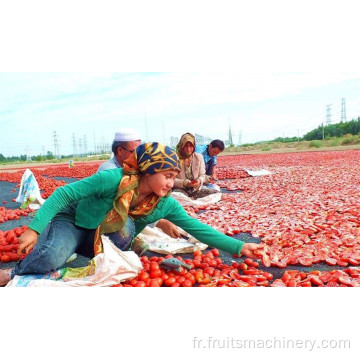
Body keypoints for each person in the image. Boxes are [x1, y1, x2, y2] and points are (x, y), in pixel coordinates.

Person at [0, 143, 263, 286]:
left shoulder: (165, 204)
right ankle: (15, 274)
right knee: (50, 257)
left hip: (101, 235)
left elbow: (197, 228)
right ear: (148, 171)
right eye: (168, 176)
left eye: (174, 177)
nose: (172, 183)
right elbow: (63, 195)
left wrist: (240, 246)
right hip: (75, 221)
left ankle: (88, 256)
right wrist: (34, 228)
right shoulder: (113, 179)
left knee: (126, 227)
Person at [98, 128, 180, 239]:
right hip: (107, 219)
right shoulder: (109, 170)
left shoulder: (136, 168)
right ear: (120, 151)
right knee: (129, 228)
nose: (139, 154)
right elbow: (123, 206)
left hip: (130, 217)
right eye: (134, 151)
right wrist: (157, 222)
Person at [172, 132, 220, 199]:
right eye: (186, 146)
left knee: (216, 193)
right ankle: (190, 199)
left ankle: (192, 198)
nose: (189, 149)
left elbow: (202, 174)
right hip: (181, 189)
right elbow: (171, 179)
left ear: (194, 146)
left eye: (191, 146)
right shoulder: (175, 159)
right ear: (181, 145)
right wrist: (184, 183)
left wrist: (199, 181)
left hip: (195, 189)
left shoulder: (199, 157)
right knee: (177, 197)